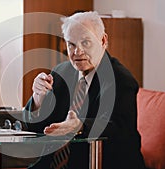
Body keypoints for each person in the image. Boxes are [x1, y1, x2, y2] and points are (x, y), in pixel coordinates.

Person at [23, 11, 146, 169]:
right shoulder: (60, 73)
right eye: (71, 44)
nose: (77, 52)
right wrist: (38, 100)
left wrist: (80, 126)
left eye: (86, 43)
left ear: (103, 40)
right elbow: (35, 127)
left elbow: (118, 130)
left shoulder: (121, 80)